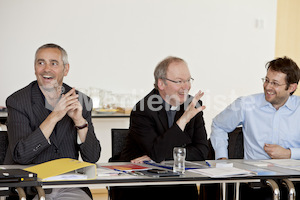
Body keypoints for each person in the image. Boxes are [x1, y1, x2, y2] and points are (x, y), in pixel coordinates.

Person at [5, 43, 101, 200]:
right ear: (35, 68)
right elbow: (21, 155)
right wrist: (54, 116)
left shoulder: (81, 100)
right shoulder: (17, 101)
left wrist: (79, 121)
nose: (46, 69)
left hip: (70, 186)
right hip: (31, 187)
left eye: (53, 63)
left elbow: (92, 157)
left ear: (66, 69)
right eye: (40, 63)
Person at [110, 56, 209, 200]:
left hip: (179, 181)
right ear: (161, 83)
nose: (186, 86)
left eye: (188, 80)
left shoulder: (193, 104)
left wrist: (162, 156)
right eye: (179, 81)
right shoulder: (143, 109)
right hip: (143, 183)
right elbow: (157, 153)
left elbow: (202, 151)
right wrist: (183, 120)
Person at [210, 56, 300, 200]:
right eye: (266, 80)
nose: (268, 87)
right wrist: (222, 159)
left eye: (275, 83)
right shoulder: (246, 104)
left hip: (295, 183)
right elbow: (219, 125)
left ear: (291, 87)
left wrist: (290, 153)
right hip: (256, 185)